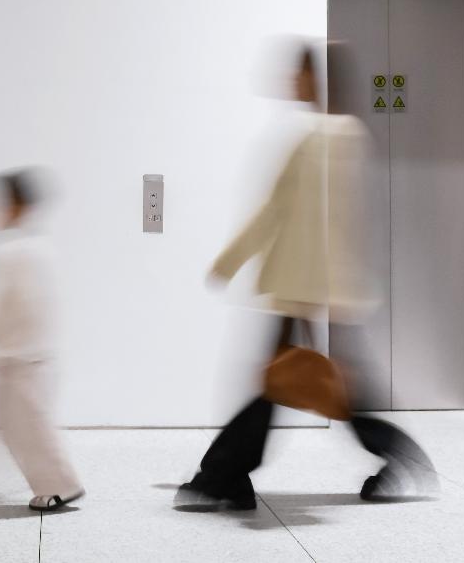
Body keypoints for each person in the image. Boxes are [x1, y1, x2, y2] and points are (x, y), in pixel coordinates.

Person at [175, 42, 434, 511]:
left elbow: (290, 214)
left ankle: (223, 475)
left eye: (299, 72)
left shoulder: (322, 137)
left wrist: (231, 263)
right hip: (316, 282)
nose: (291, 81)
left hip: (307, 282)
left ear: (317, 79)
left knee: (300, 384)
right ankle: (227, 475)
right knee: (301, 383)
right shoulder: (339, 134)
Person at [0, 170, 85, 512]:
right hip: (29, 356)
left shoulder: (14, 251)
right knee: (22, 426)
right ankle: (56, 482)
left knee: (30, 427)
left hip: (22, 358)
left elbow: (8, 307)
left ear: (15, 205)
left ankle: (62, 485)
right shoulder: (36, 247)